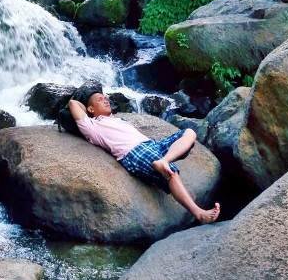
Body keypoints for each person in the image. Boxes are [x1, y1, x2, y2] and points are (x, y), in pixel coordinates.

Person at [68, 92, 220, 224]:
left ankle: (165, 160)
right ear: (90, 109)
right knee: (170, 173)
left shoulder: (117, 119)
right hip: (134, 152)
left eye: (106, 98)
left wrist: (97, 101)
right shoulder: (92, 126)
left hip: (152, 145)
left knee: (190, 133)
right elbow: (73, 103)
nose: (106, 100)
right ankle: (199, 213)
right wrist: (88, 109)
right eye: (100, 99)